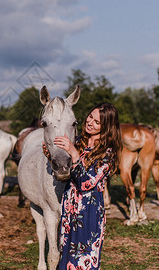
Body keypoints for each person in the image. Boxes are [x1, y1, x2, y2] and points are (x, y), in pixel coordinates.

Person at [53, 102, 122, 270]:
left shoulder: (108, 152)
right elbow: (69, 174)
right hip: (70, 209)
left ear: (107, 127)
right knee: (66, 257)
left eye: (97, 122)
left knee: (82, 261)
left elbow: (86, 183)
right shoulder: (79, 141)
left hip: (88, 213)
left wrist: (74, 154)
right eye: (90, 117)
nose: (90, 122)